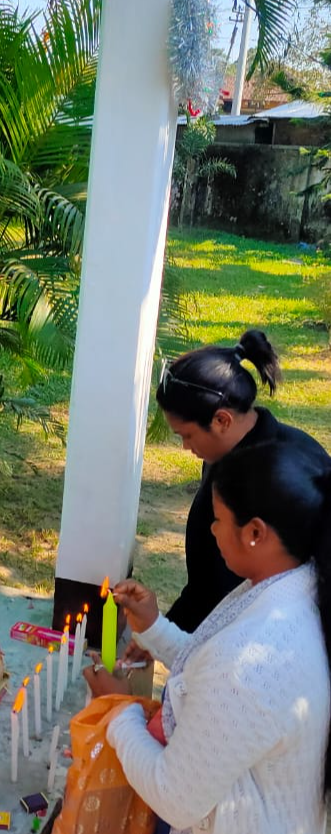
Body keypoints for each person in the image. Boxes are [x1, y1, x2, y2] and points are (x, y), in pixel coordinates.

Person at [85, 441, 331, 834]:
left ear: (255, 533)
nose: (212, 530)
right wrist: (153, 627)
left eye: (217, 519)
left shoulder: (251, 661)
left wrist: (117, 709)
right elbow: (209, 672)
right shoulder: (292, 585)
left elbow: (174, 796)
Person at [153, 327, 330, 633]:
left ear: (222, 420)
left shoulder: (285, 472)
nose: (184, 446)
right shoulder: (223, 454)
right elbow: (206, 583)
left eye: (187, 435)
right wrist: (161, 632)